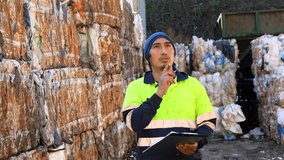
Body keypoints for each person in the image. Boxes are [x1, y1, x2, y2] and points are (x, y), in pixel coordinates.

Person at [122, 32, 216, 160]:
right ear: (148, 55)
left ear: (173, 52)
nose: (164, 51)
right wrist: (159, 92)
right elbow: (135, 124)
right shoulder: (136, 87)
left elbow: (208, 122)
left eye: (168, 46)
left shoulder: (193, 85)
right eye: (156, 46)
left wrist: (196, 143)